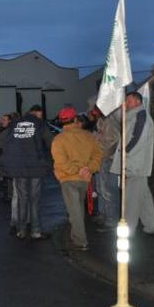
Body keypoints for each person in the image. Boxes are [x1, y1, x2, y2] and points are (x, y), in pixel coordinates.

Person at [0, 105, 53, 240]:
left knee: (22, 199)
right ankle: (35, 231)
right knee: (34, 199)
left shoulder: (15, 124)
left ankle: (21, 231)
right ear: (37, 113)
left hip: (18, 167)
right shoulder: (40, 124)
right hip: (36, 167)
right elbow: (52, 143)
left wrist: (15, 150)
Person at [51, 106, 103, 250]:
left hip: (68, 179)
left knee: (75, 211)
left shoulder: (59, 140)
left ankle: (80, 241)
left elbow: (61, 163)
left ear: (61, 121)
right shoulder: (89, 136)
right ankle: (76, 235)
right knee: (78, 208)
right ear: (75, 119)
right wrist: (89, 169)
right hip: (85, 179)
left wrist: (78, 170)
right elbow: (98, 155)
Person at [110, 91, 154, 235]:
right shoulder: (136, 115)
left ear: (138, 101)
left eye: (129, 101)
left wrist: (124, 153)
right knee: (143, 196)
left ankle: (128, 229)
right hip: (136, 163)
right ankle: (151, 225)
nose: (126, 104)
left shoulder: (141, 116)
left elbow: (138, 138)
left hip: (135, 164)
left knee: (131, 198)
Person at [92, 107, 121, 231]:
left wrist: (97, 139)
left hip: (108, 160)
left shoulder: (109, 122)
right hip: (103, 159)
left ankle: (111, 220)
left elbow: (114, 141)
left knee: (109, 190)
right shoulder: (103, 121)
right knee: (102, 189)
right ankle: (105, 215)